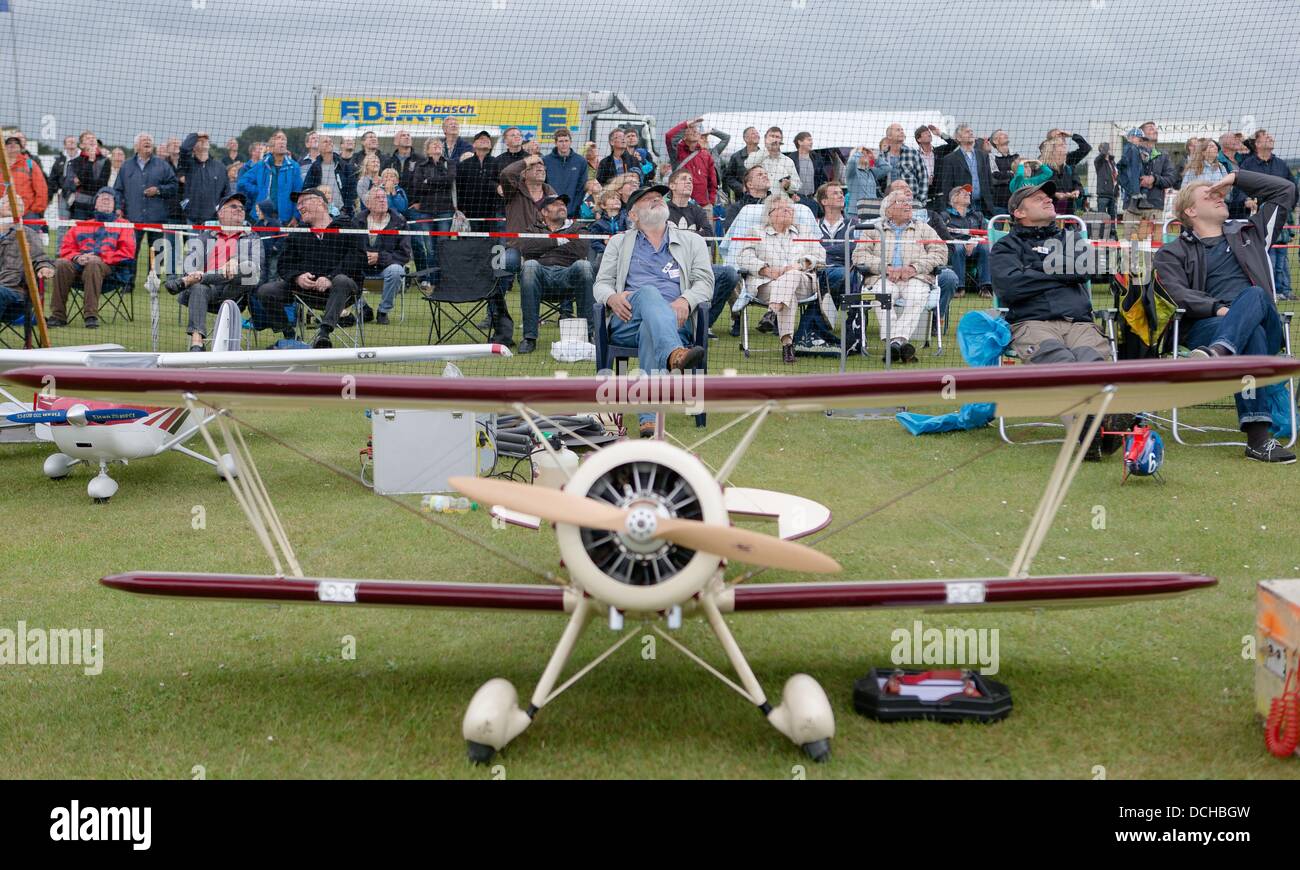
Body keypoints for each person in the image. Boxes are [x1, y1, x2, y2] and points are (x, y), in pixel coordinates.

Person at [1154, 170, 1297, 463]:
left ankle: (1220, 351)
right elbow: (1175, 293)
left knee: (1255, 296)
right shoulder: (1172, 252)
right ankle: (1258, 441)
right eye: (1210, 195)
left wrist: (1235, 177)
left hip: (1254, 326)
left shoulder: (1251, 233)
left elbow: (1285, 190)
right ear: (1190, 211)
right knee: (1249, 334)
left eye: (1220, 193)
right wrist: (1219, 309)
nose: (1219, 196)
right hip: (1209, 326)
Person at [593, 184, 711, 436]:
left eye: (659, 197)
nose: (657, 200)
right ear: (633, 216)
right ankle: (674, 354)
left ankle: (648, 418)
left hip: (675, 320)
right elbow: (600, 284)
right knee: (648, 292)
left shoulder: (693, 241)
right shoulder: (618, 242)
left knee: (651, 328)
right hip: (626, 319)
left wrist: (686, 300)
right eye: (647, 199)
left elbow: (705, 282)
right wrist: (612, 297)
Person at [990, 179, 1109, 365]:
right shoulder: (1006, 246)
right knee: (1061, 362)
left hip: (1079, 324)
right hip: (1032, 324)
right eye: (1038, 199)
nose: (1049, 200)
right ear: (1019, 212)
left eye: (1048, 198)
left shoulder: (1071, 237)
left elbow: (1085, 269)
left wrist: (1033, 267)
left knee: (1091, 365)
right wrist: (1062, 273)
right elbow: (1009, 287)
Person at [254, 188, 363, 347]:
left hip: (344, 290)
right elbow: (284, 264)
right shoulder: (298, 233)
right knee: (266, 291)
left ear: (321, 203)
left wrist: (330, 278)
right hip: (306, 291)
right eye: (298, 205)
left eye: (303, 202)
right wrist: (297, 277)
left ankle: (324, 334)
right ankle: (289, 335)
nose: (299, 207)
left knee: (341, 280)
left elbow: (358, 258)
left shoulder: (348, 226)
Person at [852, 189, 948, 363]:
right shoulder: (873, 229)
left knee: (917, 295)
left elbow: (940, 252)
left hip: (915, 277)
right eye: (901, 202)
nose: (907, 205)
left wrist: (914, 267)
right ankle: (899, 343)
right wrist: (886, 268)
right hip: (882, 278)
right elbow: (859, 255)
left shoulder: (923, 227)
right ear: (888, 210)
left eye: (908, 202)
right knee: (883, 296)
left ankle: (894, 343)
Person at [165, 192, 263, 351]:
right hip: (207, 291)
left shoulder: (252, 237)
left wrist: (235, 260)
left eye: (242, 208)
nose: (239, 209)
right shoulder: (206, 236)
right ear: (221, 213)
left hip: (235, 290)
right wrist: (195, 273)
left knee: (248, 270)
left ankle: (198, 279)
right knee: (198, 287)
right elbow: (189, 265)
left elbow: (257, 265)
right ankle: (197, 343)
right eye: (233, 206)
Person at [736, 194, 826, 364]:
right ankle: (787, 346)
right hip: (767, 285)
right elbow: (744, 257)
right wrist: (767, 270)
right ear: (770, 213)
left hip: (803, 283)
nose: (788, 211)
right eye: (783, 208)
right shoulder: (755, 231)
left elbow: (821, 255)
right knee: (787, 293)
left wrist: (800, 265)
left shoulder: (804, 230)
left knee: (792, 275)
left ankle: (771, 313)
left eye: (790, 209)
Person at [47, 188, 136, 329]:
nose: (105, 200)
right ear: (95, 204)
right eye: (102, 198)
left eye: (109, 199)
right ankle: (58, 316)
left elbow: (127, 253)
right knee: (61, 263)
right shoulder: (81, 225)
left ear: (115, 206)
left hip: (110, 271)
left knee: (94, 263)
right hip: (78, 267)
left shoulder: (124, 225)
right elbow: (65, 249)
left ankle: (90, 316)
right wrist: (77, 257)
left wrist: (98, 257)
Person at [514, 194, 593, 353]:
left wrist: (542, 246)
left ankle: (590, 334)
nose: (562, 206)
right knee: (529, 265)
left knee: (584, 266)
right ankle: (529, 337)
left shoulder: (578, 227)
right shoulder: (532, 229)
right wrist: (560, 241)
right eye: (556, 204)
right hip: (540, 277)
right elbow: (526, 248)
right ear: (544, 212)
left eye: (563, 204)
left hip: (569, 275)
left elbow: (581, 249)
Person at [665, 168, 737, 335]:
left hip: (696, 264)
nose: (689, 182)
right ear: (672, 185)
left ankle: (704, 323)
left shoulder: (697, 210)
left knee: (729, 274)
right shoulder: (663, 210)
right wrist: (693, 236)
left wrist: (679, 236)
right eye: (684, 179)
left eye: (690, 179)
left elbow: (708, 234)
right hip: (670, 265)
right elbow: (662, 235)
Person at [1240, 129, 1296, 301]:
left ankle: (1285, 290)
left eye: (1271, 136)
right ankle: (1269, 289)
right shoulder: (1248, 165)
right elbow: (1239, 187)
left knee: (1282, 256)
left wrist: (1288, 207)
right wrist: (1246, 201)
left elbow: (1293, 188)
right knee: (1266, 255)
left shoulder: (1281, 164)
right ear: (1257, 144)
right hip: (1260, 217)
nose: (1271, 138)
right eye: (1266, 137)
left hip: (1281, 215)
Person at [114, 132, 178, 273]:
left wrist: (159, 190)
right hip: (133, 218)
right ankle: (128, 284)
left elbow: (174, 186)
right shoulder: (126, 166)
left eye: (149, 140)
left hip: (157, 217)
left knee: (157, 253)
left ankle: (153, 284)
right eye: (143, 140)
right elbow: (117, 190)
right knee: (131, 251)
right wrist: (118, 208)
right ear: (136, 146)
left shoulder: (163, 165)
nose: (147, 141)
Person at [355, 184, 412, 326]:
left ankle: (383, 311)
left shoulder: (399, 222)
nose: (382, 200)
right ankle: (364, 308)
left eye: (384, 197)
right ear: (367, 204)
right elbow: (349, 248)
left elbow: (404, 254)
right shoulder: (357, 221)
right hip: (361, 267)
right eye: (377, 198)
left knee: (397, 270)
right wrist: (363, 256)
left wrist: (379, 257)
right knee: (344, 271)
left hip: (386, 267)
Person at [403, 136, 454, 287]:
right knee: (429, 248)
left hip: (445, 210)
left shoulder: (449, 163)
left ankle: (443, 279)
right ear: (427, 150)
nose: (437, 146)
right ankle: (431, 279)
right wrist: (438, 182)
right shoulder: (421, 165)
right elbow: (418, 186)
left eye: (439, 144)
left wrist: (429, 181)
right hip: (426, 211)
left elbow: (450, 179)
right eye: (433, 144)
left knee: (443, 245)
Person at [0, 194, 55, 327]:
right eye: (8, 201)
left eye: (17, 203)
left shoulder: (28, 234)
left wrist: (45, 268)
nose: (12, 204)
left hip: (14, 294)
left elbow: (40, 259)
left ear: (22, 211)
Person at [1118, 121, 1175, 239]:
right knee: (1129, 248)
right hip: (1132, 207)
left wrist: (1154, 179)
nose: (1155, 130)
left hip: (1155, 207)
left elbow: (1171, 179)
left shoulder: (1163, 156)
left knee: (1155, 249)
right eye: (1150, 128)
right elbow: (1121, 175)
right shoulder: (1131, 152)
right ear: (1141, 134)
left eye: (1155, 128)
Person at [237, 130, 302, 227]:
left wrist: (296, 216)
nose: (282, 141)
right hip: (261, 217)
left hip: (285, 219)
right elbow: (242, 183)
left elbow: (299, 193)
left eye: (284, 139)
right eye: (278, 138)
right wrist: (258, 191)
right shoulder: (261, 165)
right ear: (271, 146)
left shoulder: (294, 167)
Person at [937, 125, 994, 217]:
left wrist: (990, 200)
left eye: (971, 131)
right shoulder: (950, 159)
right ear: (959, 138)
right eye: (967, 132)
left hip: (984, 206)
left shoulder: (983, 156)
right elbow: (947, 186)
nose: (971, 133)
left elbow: (989, 181)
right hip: (962, 206)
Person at [177, 131, 231, 225]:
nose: (203, 141)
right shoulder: (188, 164)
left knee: (212, 240)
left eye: (206, 140)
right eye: (199, 140)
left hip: (214, 219)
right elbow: (184, 148)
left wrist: (222, 210)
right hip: (192, 218)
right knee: (193, 240)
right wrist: (196, 134)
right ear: (193, 147)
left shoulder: (220, 167)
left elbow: (226, 192)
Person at [302, 134, 358, 220]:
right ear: (319, 147)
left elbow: (352, 190)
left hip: (342, 213)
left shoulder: (343, 166)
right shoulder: (315, 167)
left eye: (331, 141)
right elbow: (307, 190)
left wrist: (347, 208)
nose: (329, 143)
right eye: (325, 142)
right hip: (322, 213)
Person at [877, 123, 928, 205]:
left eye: (902, 130)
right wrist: (881, 198)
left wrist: (920, 200)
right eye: (898, 130)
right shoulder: (882, 156)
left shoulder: (912, 152)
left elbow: (923, 177)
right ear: (889, 136)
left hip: (911, 202)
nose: (901, 132)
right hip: (889, 202)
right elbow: (876, 180)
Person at [65, 130, 110, 221]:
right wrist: (90, 161)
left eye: (93, 138)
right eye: (88, 138)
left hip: (98, 205)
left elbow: (100, 184)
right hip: (79, 206)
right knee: (79, 232)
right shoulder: (75, 162)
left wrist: (81, 181)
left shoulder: (105, 161)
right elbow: (75, 184)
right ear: (81, 145)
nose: (92, 140)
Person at [542, 127, 587, 218]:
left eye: (566, 141)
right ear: (555, 143)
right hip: (551, 210)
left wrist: (574, 207)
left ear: (570, 142)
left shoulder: (581, 161)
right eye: (561, 141)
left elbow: (581, 187)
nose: (564, 144)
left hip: (573, 212)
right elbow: (543, 185)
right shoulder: (546, 161)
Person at [3, 135, 48, 225]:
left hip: (27, 214)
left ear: (21, 148)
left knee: (29, 239)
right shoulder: (1, 164)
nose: (13, 144)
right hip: (3, 214)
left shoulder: (30, 163)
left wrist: (35, 210)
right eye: (9, 143)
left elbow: (41, 189)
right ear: (4, 147)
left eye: (16, 143)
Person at [744, 127, 798, 197]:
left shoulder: (788, 161)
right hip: (760, 202)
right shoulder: (755, 156)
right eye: (772, 136)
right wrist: (768, 148)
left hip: (781, 203)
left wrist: (789, 186)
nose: (774, 139)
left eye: (777, 137)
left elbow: (797, 185)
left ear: (781, 141)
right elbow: (748, 165)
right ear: (765, 139)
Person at [845, 145, 887, 216]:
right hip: (856, 212)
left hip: (873, 210)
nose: (867, 156)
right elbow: (852, 161)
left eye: (868, 154)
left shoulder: (871, 171)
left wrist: (876, 158)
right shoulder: (852, 171)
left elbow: (886, 168)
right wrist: (859, 151)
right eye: (865, 154)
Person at [723, 126, 761, 201]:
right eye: (753, 133)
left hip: (762, 197)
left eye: (757, 133)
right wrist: (742, 188)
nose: (757, 135)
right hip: (742, 198)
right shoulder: (736, 157)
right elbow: (729, 177)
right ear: (745, 138)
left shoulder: (765, 155)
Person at [987, 129, 1018, 213]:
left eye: (1005, 133)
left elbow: (1021, 174)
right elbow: (994, 177)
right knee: (998, 224)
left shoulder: (1015, 155)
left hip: (1015, 200)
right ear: (995, 141)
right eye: (1001, 134)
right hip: (999, 200)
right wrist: (1011, 174)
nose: (1005, 135)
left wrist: (1006, 175)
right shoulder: (991, 157)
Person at [1093, 141, 1119, 219]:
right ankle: (1102, 231)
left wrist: (1117, 191)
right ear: (1101, 149)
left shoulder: (1112, 162)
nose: (1109, 149)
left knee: (1112, 218)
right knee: (1102, 219)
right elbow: (1103, 154)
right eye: (1107, 148)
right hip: (1103, 195)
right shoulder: (1098, 161)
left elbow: (1115, 177)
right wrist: (1106, 146)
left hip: (1113, 195)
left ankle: (1112, 231)